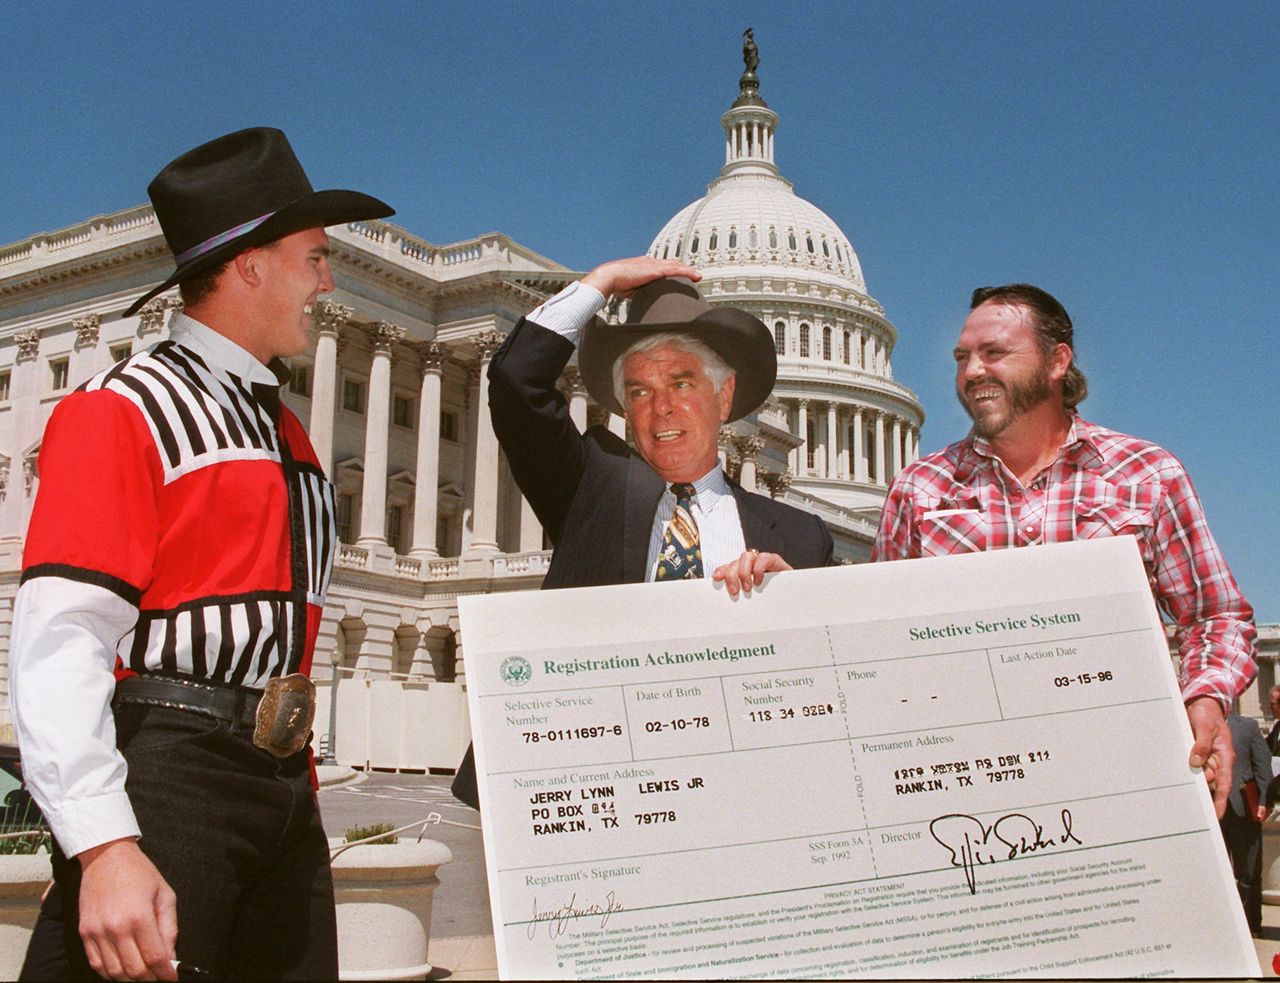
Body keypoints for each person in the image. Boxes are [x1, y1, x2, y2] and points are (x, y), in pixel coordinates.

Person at [10, 127, 393, 981]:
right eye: (313, 256)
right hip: (170, 773)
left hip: (283, 784)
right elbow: (62, 634)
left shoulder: (286, 429)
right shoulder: (122, 406)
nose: (328, 279)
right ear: (250, 264)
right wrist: (104, 845)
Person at [451, 257, 833, 807]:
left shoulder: (798, 536)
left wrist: (797, 601)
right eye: (639, 391)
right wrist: (598, 284)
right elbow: (516, 382)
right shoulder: (591, 487)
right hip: (596, 790)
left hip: (742, 795)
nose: (661, 409)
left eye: (681, 381)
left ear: (724, 398)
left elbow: (837, 682)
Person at [873, 283, 1256, 819]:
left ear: (1058, 361)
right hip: (973, 784)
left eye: (994, 352)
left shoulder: (1147, 474)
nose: (973, 371)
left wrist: (1207, 697)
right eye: (963, 357)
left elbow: (1216, 617)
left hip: (1120, 769)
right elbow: (880, 644)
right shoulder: (918, 489)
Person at [1221, 713, 1273, 935]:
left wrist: (1264, 800)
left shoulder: (1248, 726)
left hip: (1243, 807)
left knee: (1249, 870)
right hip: (1212, 810)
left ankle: (1251, 925)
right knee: (1218, 872)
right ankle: (1225, 927)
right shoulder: (1190, 724)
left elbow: (1263, 764)